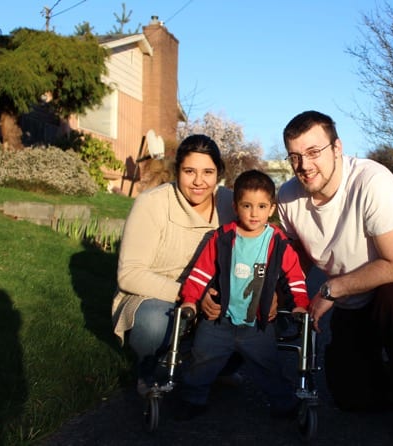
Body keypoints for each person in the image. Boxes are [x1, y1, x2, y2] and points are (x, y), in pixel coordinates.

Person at [277, 110, 393, 443]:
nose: (304, 165)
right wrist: (278, 295)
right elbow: (298, 257)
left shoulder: (373, 181)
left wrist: (330, 290)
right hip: (352, 296)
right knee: (350, 396)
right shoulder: (288, 196)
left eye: (314, 152)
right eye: (295, 156)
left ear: (337, 148)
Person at [111, 134, 240, 395]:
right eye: (189, 171)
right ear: (177, 170)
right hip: (156, 296)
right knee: (156, 323)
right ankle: (150, 371)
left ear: (219, 174)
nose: (199, 181)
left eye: (208, 172)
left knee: (253, 318)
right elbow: (130, 274)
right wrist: (190, 294)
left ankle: (214, 366)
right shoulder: (152, 203)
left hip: (213, 296)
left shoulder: (231, 203)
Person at [176, 169, 309, 420]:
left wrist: (300, 305)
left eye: (261, 206)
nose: (254, 213)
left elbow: (295, 277)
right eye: (247, 205)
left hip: (258, 323)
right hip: (220, 319)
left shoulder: (277, 242)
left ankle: (284, 403)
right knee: (202, 358)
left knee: (268, 366)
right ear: (236, 207)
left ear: (271, 209)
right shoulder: (223, 237)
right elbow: (201, 273)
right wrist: (191, 300)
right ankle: (192, 399)